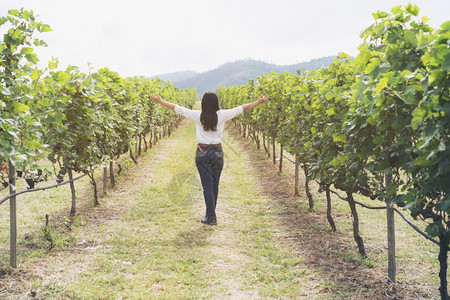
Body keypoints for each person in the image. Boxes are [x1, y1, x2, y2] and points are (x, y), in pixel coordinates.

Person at [149, 92, 270, 225]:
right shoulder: (222, 115)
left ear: (203, 103)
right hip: (217, 152)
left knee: (207, 185)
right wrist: (258, 102)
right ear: (216, 102)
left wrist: (160, 101)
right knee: (214, 184)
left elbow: (177, 108)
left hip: (202, 152)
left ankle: (211, 216)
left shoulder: (198, 116)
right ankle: (210, 214)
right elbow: (242, 108)